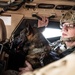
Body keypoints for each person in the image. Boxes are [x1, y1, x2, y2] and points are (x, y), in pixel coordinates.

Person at [19, 11, 75, 75]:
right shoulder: (60, 44)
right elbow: (45, 48)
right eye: (63, 25)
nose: (64, 29)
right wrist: (39, 30)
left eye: (70, 25)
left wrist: (32, 72)